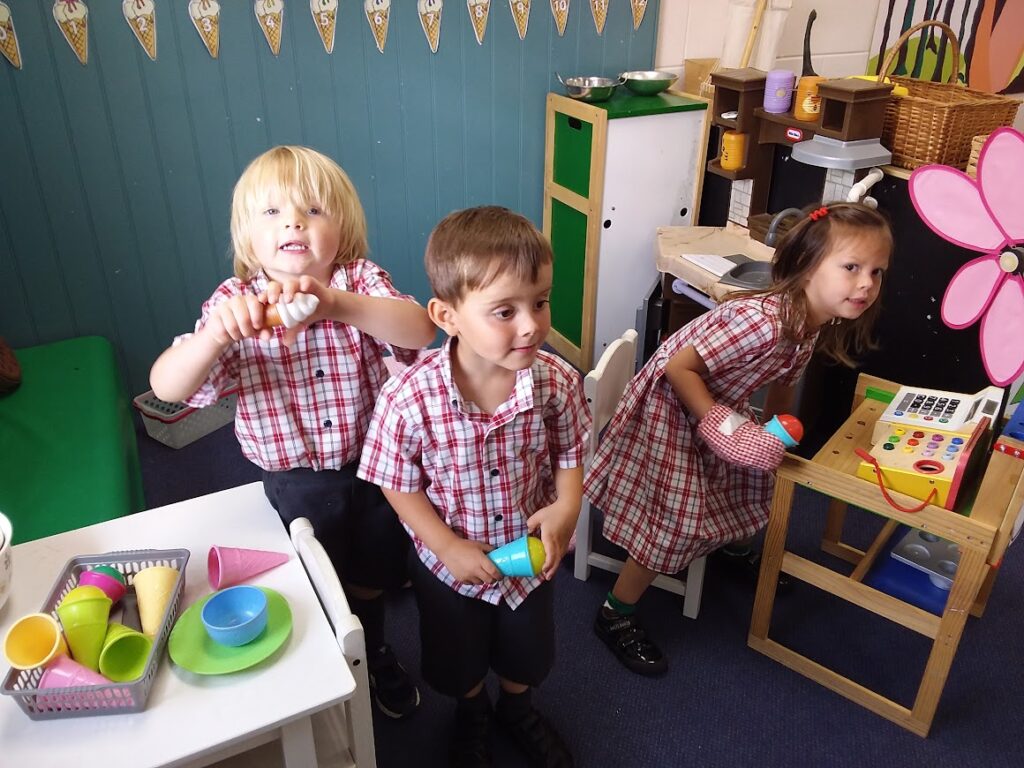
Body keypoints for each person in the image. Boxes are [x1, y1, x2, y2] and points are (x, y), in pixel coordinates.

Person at [150, 145, 436, 717]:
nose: (294, 222)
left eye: (312, 210)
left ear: (343, 229)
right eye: (273, 213)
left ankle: (373, 646)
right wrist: (214, 339)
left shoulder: (357, 280)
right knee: (313, 572)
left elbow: (419, 330)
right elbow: (167, 386)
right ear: (249, 239)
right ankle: (330, 659)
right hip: (295, 478)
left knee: (375, 568)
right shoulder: (233, 302)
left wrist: (335, 304)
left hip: (377, 465)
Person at [585, 202, 893, 676]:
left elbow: (785, 384)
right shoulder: (761, 323)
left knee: (753, 480)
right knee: (675, 521)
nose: (867, 283)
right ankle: (615, 612)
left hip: (715, 407)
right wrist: (721, 426)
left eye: (876, 271)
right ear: (808, 267)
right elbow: (677, 367)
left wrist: (770, 438)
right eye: (851, 267)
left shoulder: (809, 323)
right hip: (669, 409)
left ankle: (729, 549)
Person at [358, 206, 590, 768]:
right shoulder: (409, 397)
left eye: (540, 301)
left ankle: (516, 708)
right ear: (448, 315)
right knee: (455, 657)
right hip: (449, 567)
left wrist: (567, 506)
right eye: (504, 311)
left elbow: (572, 452)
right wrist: (446, 547)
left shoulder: (556, 380)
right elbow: (397, 484)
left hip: (531, 558)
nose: (532, 324)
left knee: (527, 651)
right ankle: (472, 715)